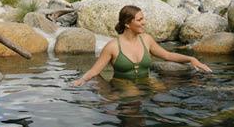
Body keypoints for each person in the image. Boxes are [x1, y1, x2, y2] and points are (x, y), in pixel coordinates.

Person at [73, 5, 212, 85]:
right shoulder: (112, 46)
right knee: (133, 97)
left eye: (143, 19)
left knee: (167, 96)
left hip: (147, 82)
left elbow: (167, 55)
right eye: (140, 20)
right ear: (128, 24)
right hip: (123, 85)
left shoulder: (146, 40)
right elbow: (94, 71)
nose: (144, 22)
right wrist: (81, 80)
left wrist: (191, 59)